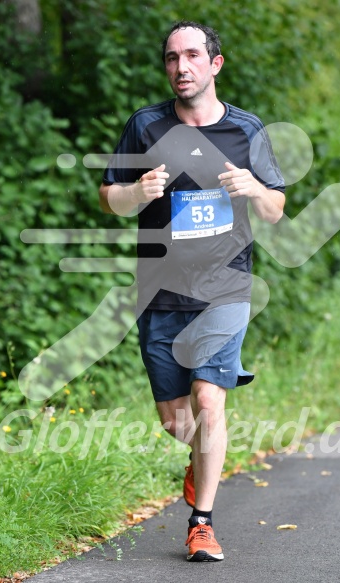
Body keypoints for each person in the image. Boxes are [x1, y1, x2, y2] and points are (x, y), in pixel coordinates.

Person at [99, 20, 285, 562]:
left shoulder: (246, 131)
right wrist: (135, 191)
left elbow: (275, 211)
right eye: (172, 58)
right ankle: (202, 458)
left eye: (192, 57)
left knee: (209, 400)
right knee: (178, 421)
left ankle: (201, 523)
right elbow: (108, 196)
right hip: (159, 294)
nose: (181, 67)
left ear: (215, 65)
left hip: (226, 289)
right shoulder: (145, 126)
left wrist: (254, 188)